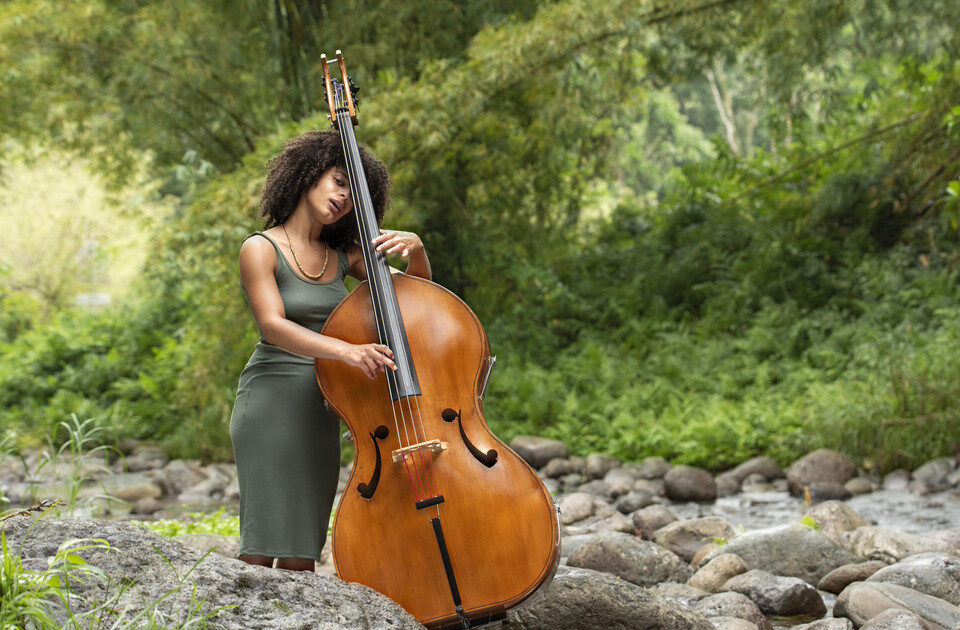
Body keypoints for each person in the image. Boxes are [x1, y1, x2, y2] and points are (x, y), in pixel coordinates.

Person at [229, 130, 432, 571]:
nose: (343, 196)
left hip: (324, 404)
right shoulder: (259, 248)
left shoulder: (344, 256)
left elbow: (414, 303)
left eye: (352, 192)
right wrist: (347, 351)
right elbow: (273, 326)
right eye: (338, 181)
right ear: (308, 174)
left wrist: (416, 251)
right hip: (270, 400)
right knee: (261, 544)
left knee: (304, 548)